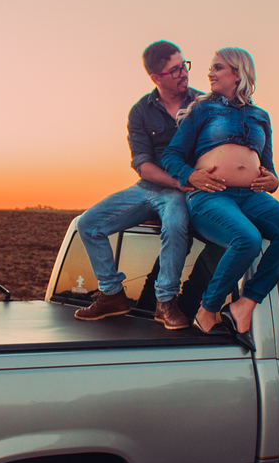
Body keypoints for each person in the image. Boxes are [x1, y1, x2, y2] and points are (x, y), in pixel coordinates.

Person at [161, 47, 279, 350]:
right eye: (211, 68)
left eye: (218, 68)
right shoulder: (202, 110)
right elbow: (171, 155)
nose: (210, 73)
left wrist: (274, 181)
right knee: (247, 240)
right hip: (212, 196)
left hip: (251, 197)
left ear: (238, 73)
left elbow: (268, 165)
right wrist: (191, 176)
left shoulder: (260, 116)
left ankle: (245, 302)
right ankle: (207, 308)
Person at [74, 41, 203, 329]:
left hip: (184, 192)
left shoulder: (203, 104)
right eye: (175, 70)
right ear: (156, 77)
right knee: (88, 224)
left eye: (184, 66)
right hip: (149, 187)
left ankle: (165, 302)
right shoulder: (140, 112)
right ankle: (112, 295)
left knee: (176, 221)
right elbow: (142, 163)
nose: (184, 74)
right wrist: (178, 182)